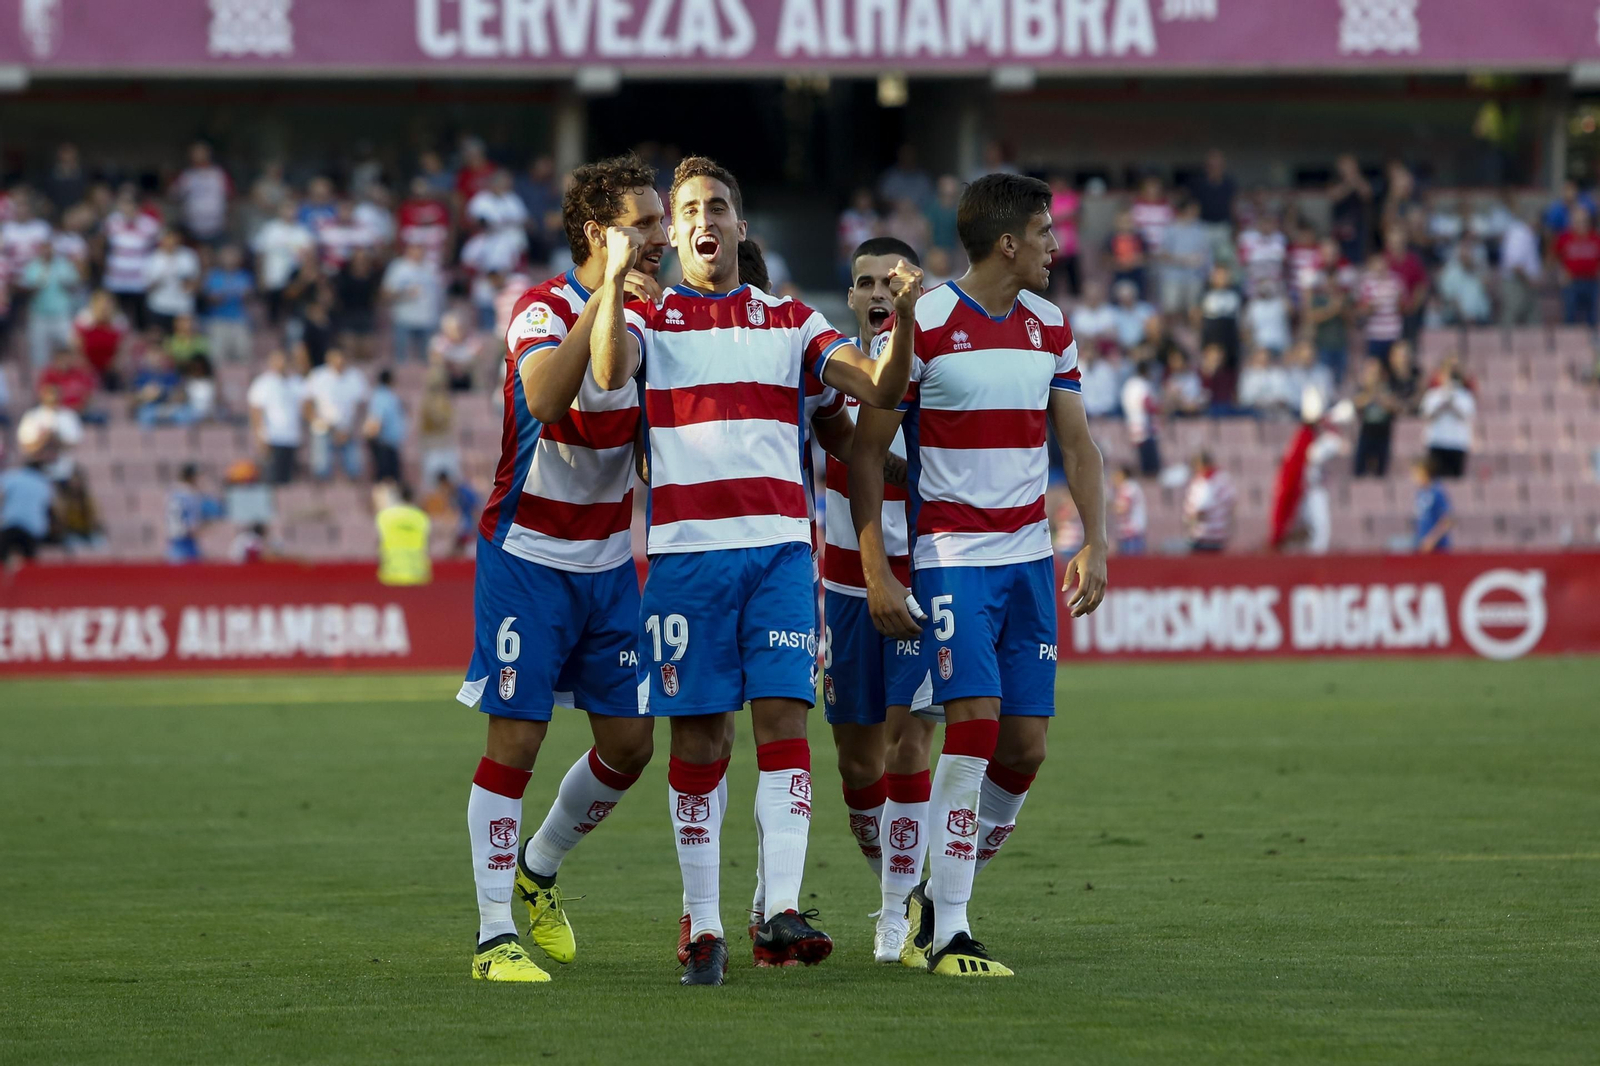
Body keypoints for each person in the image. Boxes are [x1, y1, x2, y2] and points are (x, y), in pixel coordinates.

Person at [591, 156, 921, 986]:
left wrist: (907, 318)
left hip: (778, 553)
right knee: (700, 737)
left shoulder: (794, 322)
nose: (705, 219)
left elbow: (878, 384)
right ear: (674, 231)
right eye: (689, 208)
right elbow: (603, 375)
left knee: (783, 720)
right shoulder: (650, 320)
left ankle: (779, 904)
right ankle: (703, 926)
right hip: (684, 560)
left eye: (718, 207)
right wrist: (611, 280)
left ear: (741, 227)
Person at [849, 172, 1106, 979]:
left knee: (1024, 750)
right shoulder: (922, 323)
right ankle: (950, 929)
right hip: (953, 556)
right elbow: (865, 448)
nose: (1054, 249)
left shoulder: (1051, 326)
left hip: (1029, 559)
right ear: (1007, 242)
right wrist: (877, 573)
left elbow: (1077, 444)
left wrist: (1094, 539)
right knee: (974, 723)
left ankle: (937, 894)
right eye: (1044, 234)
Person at [458, 153, 670, 985]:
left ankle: (537, 868)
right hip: (529, 558)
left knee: (630, 743)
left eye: (661, 221)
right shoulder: (540, 311)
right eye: (643, 223)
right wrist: (609, 295)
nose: (661, 237)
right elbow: (547, 401)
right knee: (518, 738)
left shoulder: (661, 319)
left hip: (611, 561)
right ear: (598, 233)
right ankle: (489, 935)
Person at [816, 237, 939, 964]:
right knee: (857, 764)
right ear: (853, 296)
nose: (878, 292)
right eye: (865, 282)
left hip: (918, 579)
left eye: (891, 280)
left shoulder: (931, 367)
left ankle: (896, 913)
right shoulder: (826, 372)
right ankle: (900, 884)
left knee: (909, 741)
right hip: (841, 586)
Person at [102, 186, 162, 328]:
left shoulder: (150, 225)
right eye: (122, 203)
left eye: (129, 203)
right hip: (116, 280)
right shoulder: (111, 222)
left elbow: (157, 250)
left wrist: (152, 275)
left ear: (137, 206)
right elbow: (103, 247)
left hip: (139, 282)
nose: (125, 207)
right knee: (116, 320)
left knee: (140, 321)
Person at [303, 349, 367, 481]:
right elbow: (306, 403)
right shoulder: (318, 376)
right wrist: (316, 420)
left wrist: (354, 427)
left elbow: (362, 405)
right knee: (321, 467)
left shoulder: (355, 377)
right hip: (324, 428)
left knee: (353, 467)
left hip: (347, 429)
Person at [252, 199, 315, 325]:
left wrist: (300, 283)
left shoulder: (303, 232)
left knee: (291, 317)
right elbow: (260, 255)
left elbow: (309, 260)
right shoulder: (270, 229)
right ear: (280, 210)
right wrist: (260, 277)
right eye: (287, 208)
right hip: (272, 279)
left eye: (293, 209)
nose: (290, 212)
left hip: (293, 283)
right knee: (271, 317)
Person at [247, 349, 305, 486]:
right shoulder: (263, 383)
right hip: (273, 437)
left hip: (292, 437)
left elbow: (306, 405)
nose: (282, 364)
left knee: (288, 480)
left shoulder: (296, 382)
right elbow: (256, 412)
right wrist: (260, 436)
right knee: (273, 479)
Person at [22, 240, 81, 370]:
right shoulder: (33, 267)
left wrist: (66, 283)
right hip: (39, 316)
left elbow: (75, 287)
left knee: (70, 346)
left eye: (49, 249)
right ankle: (43, 382)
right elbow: (26, 292)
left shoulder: (64, 265)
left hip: (61, 314)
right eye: (44, 249)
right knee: (39, 354)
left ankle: (70, 377)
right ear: (40, 250)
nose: (47, 252)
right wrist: (38, 283)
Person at [382, 242, 444, 363]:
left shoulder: (432, 267)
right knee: (402, 359)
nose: (417, 253)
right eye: (414, 249)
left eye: (420, 249)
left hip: (428, 319)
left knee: (427, 359)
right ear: (407, 251)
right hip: (404, 318)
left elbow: (440, 293)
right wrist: (405, 293)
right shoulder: (398, 267)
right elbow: (385, 293)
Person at [1419, 360, 1476, 478]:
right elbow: (1426, 415)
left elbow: (1467, 416)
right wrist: (1442, 404)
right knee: (1435, 479)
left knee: (1456, 480)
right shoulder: (1432, 395)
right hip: (1437, 441)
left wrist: (1452, 404)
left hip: (1457, 443)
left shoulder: (1465, 396)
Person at [202, 245, 254, 362]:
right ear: (221, 258)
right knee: (217, 357)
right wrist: (228, 293)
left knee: (243, 355)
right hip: (218, 320)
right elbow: (210, 299)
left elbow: (248, 297)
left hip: (239, 320)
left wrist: (231, 293)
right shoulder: (213, 276)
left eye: (233, 256)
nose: (230, 259)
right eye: (227, 256)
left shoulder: (244, 276)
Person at [0, 457, 56, 567]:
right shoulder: (44, 483)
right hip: (32, 527)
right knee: (29, 562)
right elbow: (49, 507)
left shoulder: (13, 477)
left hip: (10, 522)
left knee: (2, 558)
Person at [143, 228, 200, 333]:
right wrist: (160, 278)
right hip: (159, 306)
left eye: (173, 239)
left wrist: (183, 280)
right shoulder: (153, 258)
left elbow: (194, 284)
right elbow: (147, 287)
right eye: (167, 238)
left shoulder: (188, 256)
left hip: (181, 308)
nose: (170, 242)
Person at [373, 480, 431, 584]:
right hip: (417, 574)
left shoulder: (385, 516)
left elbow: (377, 543)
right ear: (412, 497)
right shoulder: (421, 517)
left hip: (391, 574)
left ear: (398, 496)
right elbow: (428, 545)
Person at [173, 142, 231, 244]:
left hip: (216, 227)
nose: (199, 155)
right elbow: (173, 195)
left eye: (202, 152)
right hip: (193, 228)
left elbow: (230, 196)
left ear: (208, 154)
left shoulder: (218, 173)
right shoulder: (187, 175)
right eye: (195, 153)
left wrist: (229, 219)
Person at [1497, 195, 1541, 328]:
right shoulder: (1518, 233)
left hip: (1525, 283)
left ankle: (1534, 348)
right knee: (1512, 318)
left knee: (1533, 320)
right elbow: (1515, 265)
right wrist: (1529, 279)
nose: (1539, 221)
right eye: (1537, 218)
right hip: (1516, 283)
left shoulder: (1530, 234)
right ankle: (1503, 348)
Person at [166, 462, 224, 562]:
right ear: (190, 477)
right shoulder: (187, 494)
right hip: (184, 543)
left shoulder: (175, 492)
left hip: (179, 542)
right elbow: (189, 524)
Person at [1352, 357, 1400, 478]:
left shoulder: (1388, 387)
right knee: (1359, 468)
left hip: (1383, 432)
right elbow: (1356, 404)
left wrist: (1379, 396)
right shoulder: (1362, 388)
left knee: (1381, 469)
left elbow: (1394, 406)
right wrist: (1371, 394)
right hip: (1366, 432)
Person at [1554, 206, 1600, 327]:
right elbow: (1555, 258)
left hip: (1592, 281)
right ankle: (1569, 343)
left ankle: (1594, 343)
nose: (1581, 224)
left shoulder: (1596, 238)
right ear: (1572, 222)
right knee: (1570, 316)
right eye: (1578, 221)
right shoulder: (1564, 238)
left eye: (1584, 221)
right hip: (1571, 282)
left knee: (1593, 317)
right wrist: (1560, 272)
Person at [74, 290, 129, 389]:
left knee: (126, 365)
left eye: (107, 303)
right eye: (101, 303)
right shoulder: (84, 319)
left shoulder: (119, 321)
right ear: (94, 305)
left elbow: (124, 347)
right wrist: (87, 366)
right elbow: (76, 346)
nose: (104, 307)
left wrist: (115, 363)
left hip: (111, 365)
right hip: (88, 364)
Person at [1183, 450, 1235, 552]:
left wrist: (1190, 517)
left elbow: (1201, 508)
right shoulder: (1223, 479)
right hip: (1216, 534)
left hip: (1206, 535)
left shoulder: (1210, 482)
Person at [364, 368, 406, 483]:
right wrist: (371, 437)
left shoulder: (388, 396)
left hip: (390, 443)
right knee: (386, 479)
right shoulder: (381, 397)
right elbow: (377, 419)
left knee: (392, 478)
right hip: (384, 443)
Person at [1122, 358, 1163, 476]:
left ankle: (1146, 474)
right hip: (1144, 423)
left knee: (1140, 452)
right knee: (1149, 458)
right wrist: (1160, 409)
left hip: (1132, 421)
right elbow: (1148, 404)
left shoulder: (1129, 385)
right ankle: (1150, 475)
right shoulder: (1143, 384)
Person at [1412, 456, 1453, 553]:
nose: (1414, 477)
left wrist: (1432, 539)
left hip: (1439, 547)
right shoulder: (1420, 493)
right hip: (1422, 546)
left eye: (1417, 473)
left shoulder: (1437, 492)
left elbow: (1448, 520)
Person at [1110, 465, 1147, 554]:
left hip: (1131, 532)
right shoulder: (1130, 487)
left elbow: (1122, 509)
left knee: (1131, 563)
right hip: (1128, 532)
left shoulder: (1128, 488)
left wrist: (1106, 506)